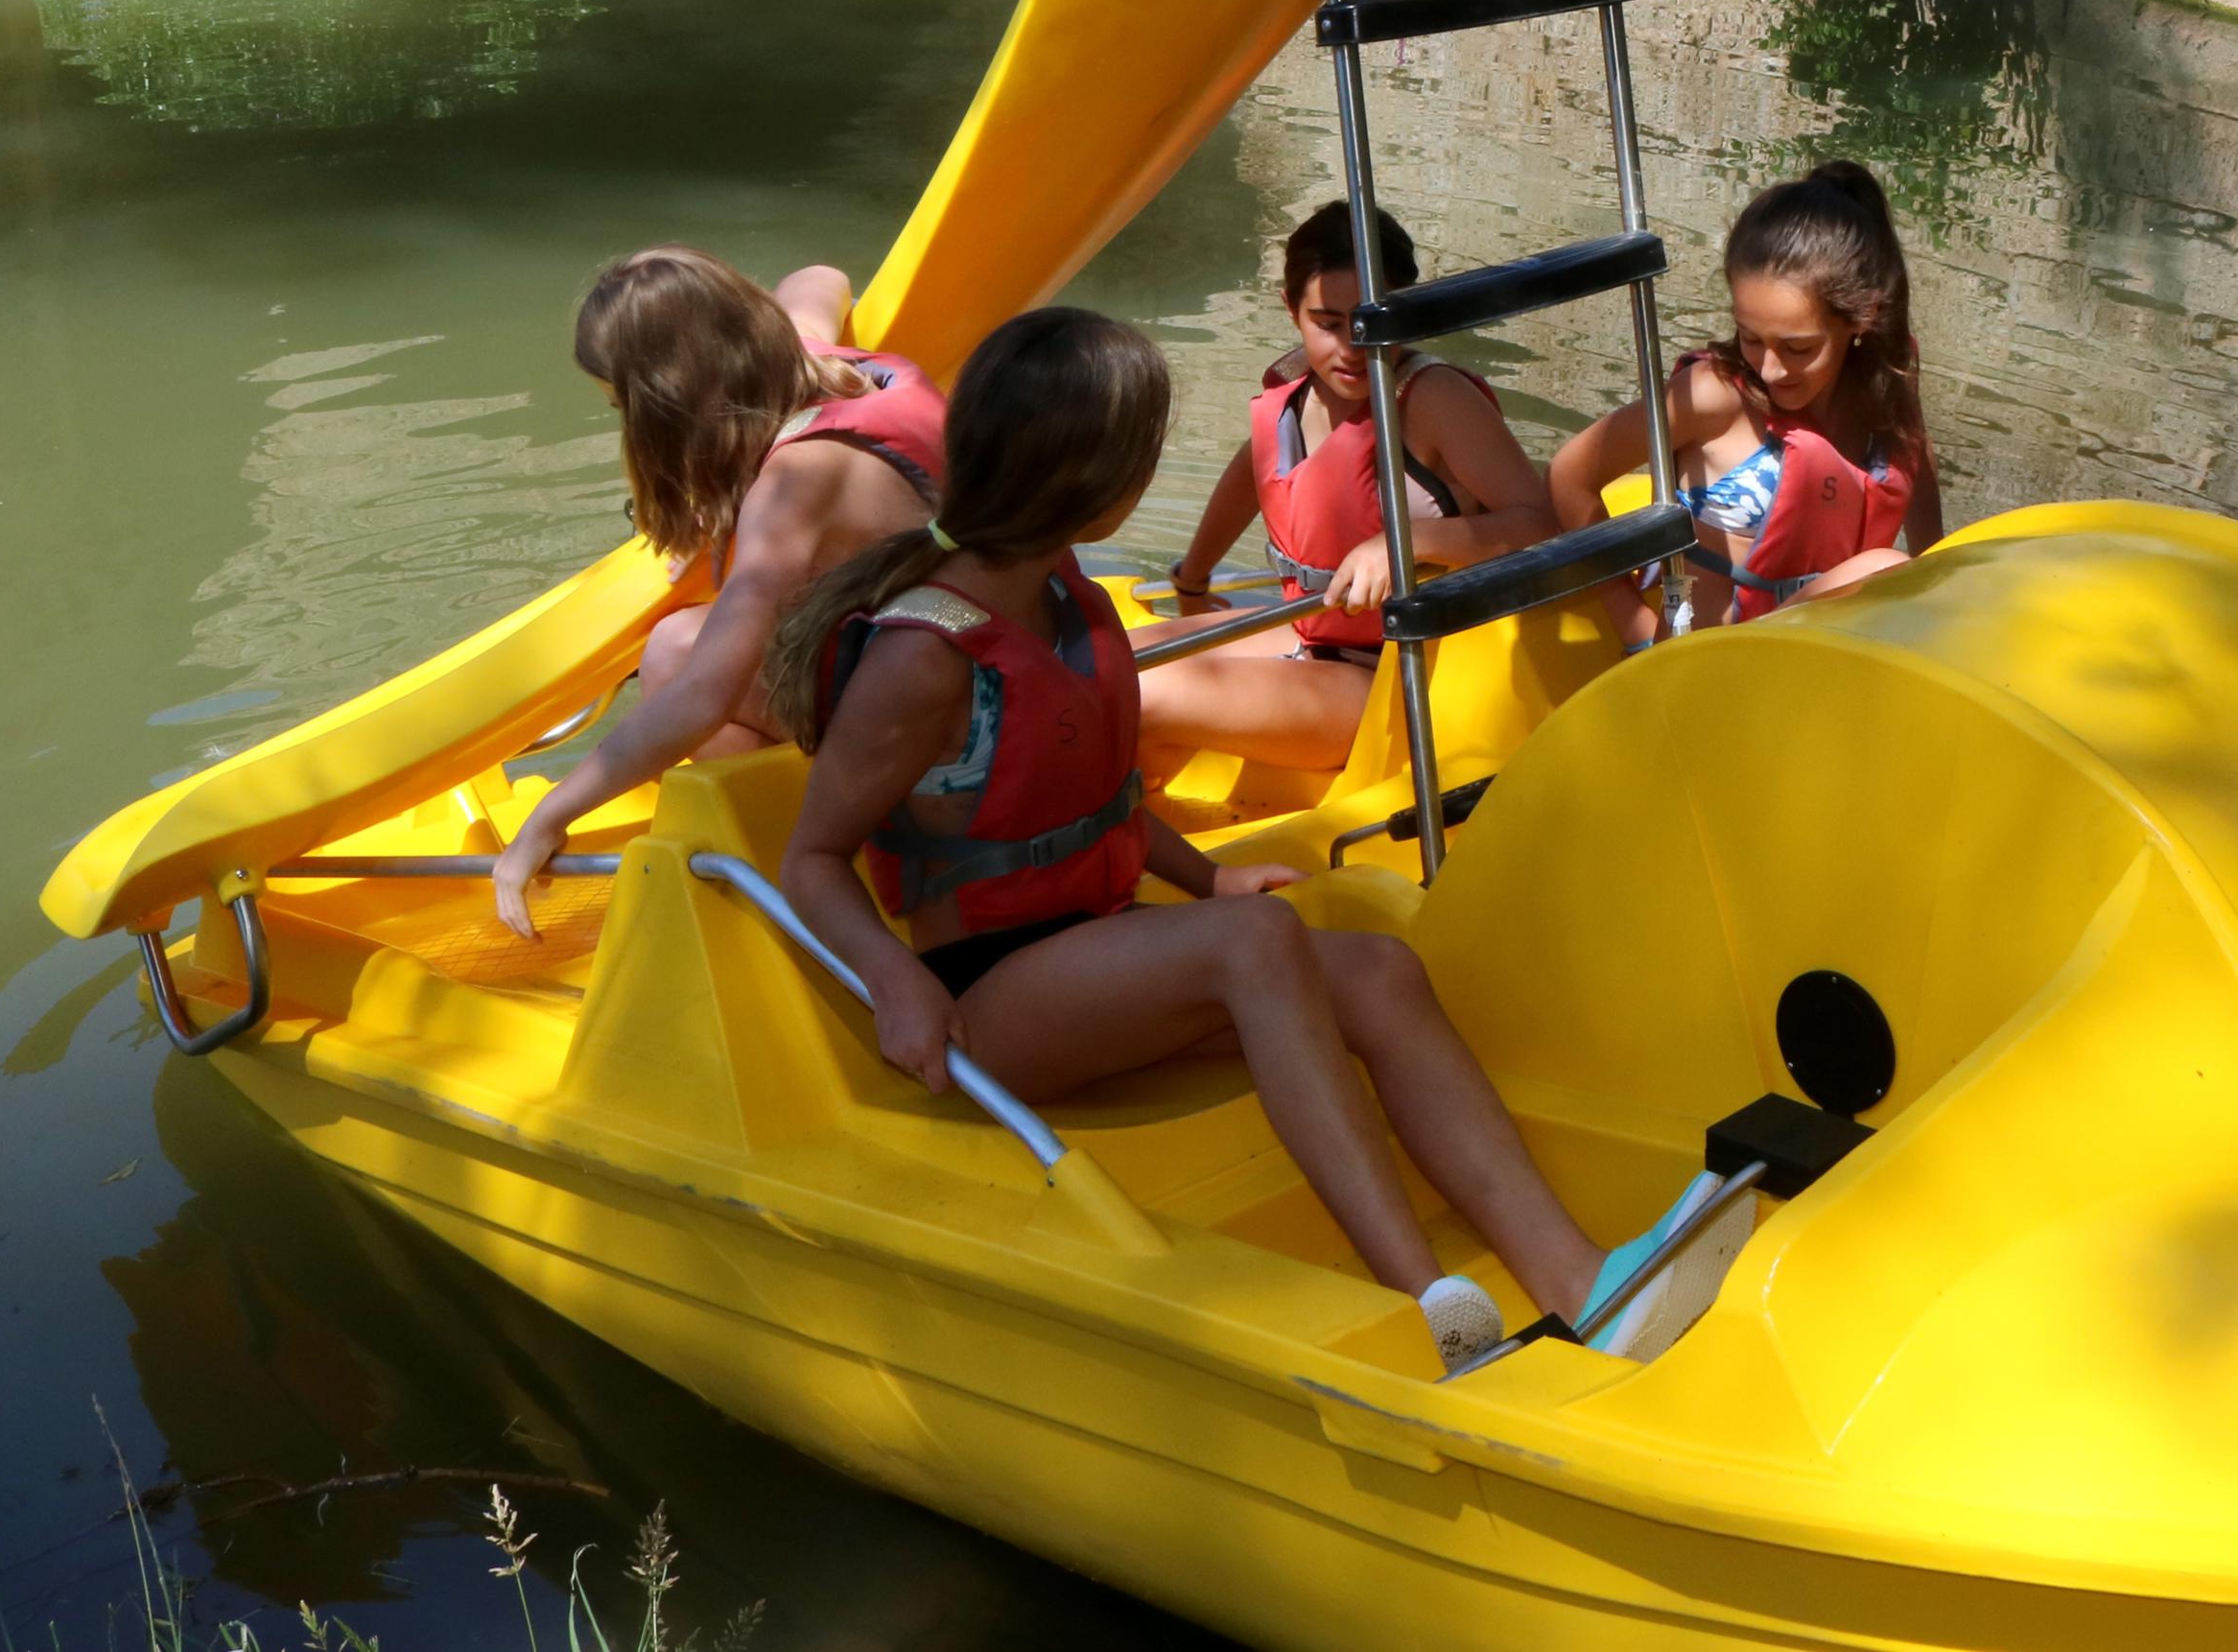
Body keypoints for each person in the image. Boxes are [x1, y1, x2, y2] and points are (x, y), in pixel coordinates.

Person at [762, 306, 1746, 1371]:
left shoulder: (1057, 596)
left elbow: (1077, 802)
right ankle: (1432, 1309)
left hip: (1091, 948)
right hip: (983, 998)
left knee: (1373, 968)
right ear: (1109, 482)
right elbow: (811, 858)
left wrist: (1207, 874)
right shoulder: (926, 654)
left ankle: (1584, 1284)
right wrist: (891, 981)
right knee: (1257, 947)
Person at [491, 248, 944, 936]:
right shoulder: (814, 360)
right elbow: (819, 277)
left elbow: (702, 695)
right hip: (974, 662)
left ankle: (821, 875)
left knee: (675, 651)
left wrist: (545, 821)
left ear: (664, 406)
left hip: (948, 738)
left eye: (621, 405)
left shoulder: (795, 488)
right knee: (691, 640)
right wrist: (720, 504)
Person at [1143, 203, 1556, 772]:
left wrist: (1407, 541)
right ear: (1292, 310)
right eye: (1328, 324)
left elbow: (1540, 526)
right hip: (1310, 640)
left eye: (1370, 323)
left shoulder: (1432, 398)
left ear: (1406, 310)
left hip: (1394, 679)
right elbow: (1255, 470)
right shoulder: (1296, 391)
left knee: (1137, 695)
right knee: (1109, 661)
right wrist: (1193, 578)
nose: (1352, 349)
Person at [1548, 160, 1943, 634]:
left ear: (1862, 317)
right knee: (1879, 567)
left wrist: (1936, 589)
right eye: (1750, 336)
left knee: (1896, 572)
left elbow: (1916, 472)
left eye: (1799, 347)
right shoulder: (1714, 396)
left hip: (1823, 649)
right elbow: (1569, 476)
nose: (1770, 368)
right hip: (1708, 659)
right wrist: (1632, 624)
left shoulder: (1888, 374)